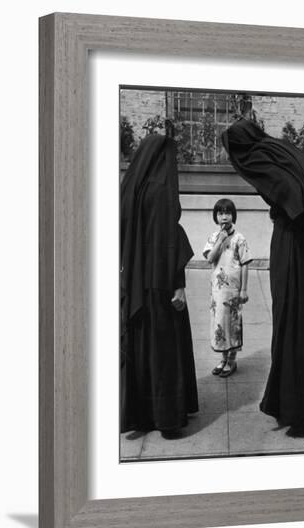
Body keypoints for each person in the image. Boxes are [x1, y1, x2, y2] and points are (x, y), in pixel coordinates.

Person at [222, 115, 304, 428]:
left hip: (297, 245)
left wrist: (282, 212)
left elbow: (293, 198)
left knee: (293, 317)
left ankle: (297, 407)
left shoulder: (260, 157)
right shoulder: (281, 150)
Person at [120, 133, 198, 434]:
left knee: (142, 349)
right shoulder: (162, 189)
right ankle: (167, 416)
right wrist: (178, 283)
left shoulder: (132, 189)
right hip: (161, 284)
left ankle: (143, 415)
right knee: (165, 351)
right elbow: (168, 239)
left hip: (138, 283)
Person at [202, 198, 253, 377]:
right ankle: (223, 358)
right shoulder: (213, 237)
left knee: (232, 323)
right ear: (216, 216)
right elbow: (210, 258)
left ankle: (232, 359)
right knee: (219, 322)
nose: (224, 217)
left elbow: (245, 263)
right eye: (221, 213)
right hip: (217, 290)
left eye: (228, 213)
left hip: (233, 290)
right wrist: (220, 240)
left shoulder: (240, 238)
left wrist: (244, 289)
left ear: (233, 215)